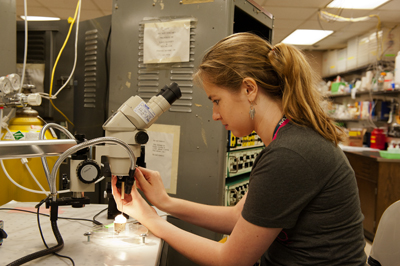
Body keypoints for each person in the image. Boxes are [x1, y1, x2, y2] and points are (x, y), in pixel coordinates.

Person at [112, 32, 367, 265]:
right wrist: (165, 203)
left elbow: (230, 260)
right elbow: (238, 217)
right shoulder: (288, 141)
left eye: (216, 101)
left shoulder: (290, 154)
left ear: (249, 89)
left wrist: (150, 219)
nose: (214, 114)